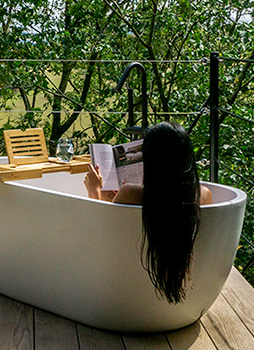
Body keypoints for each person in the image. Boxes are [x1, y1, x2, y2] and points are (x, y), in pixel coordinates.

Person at [83, 121, 213, 303]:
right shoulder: (204, 195)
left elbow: (100, 231)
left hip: (127, 296)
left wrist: (94, 190)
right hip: (184, 294)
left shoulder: (130, 194)